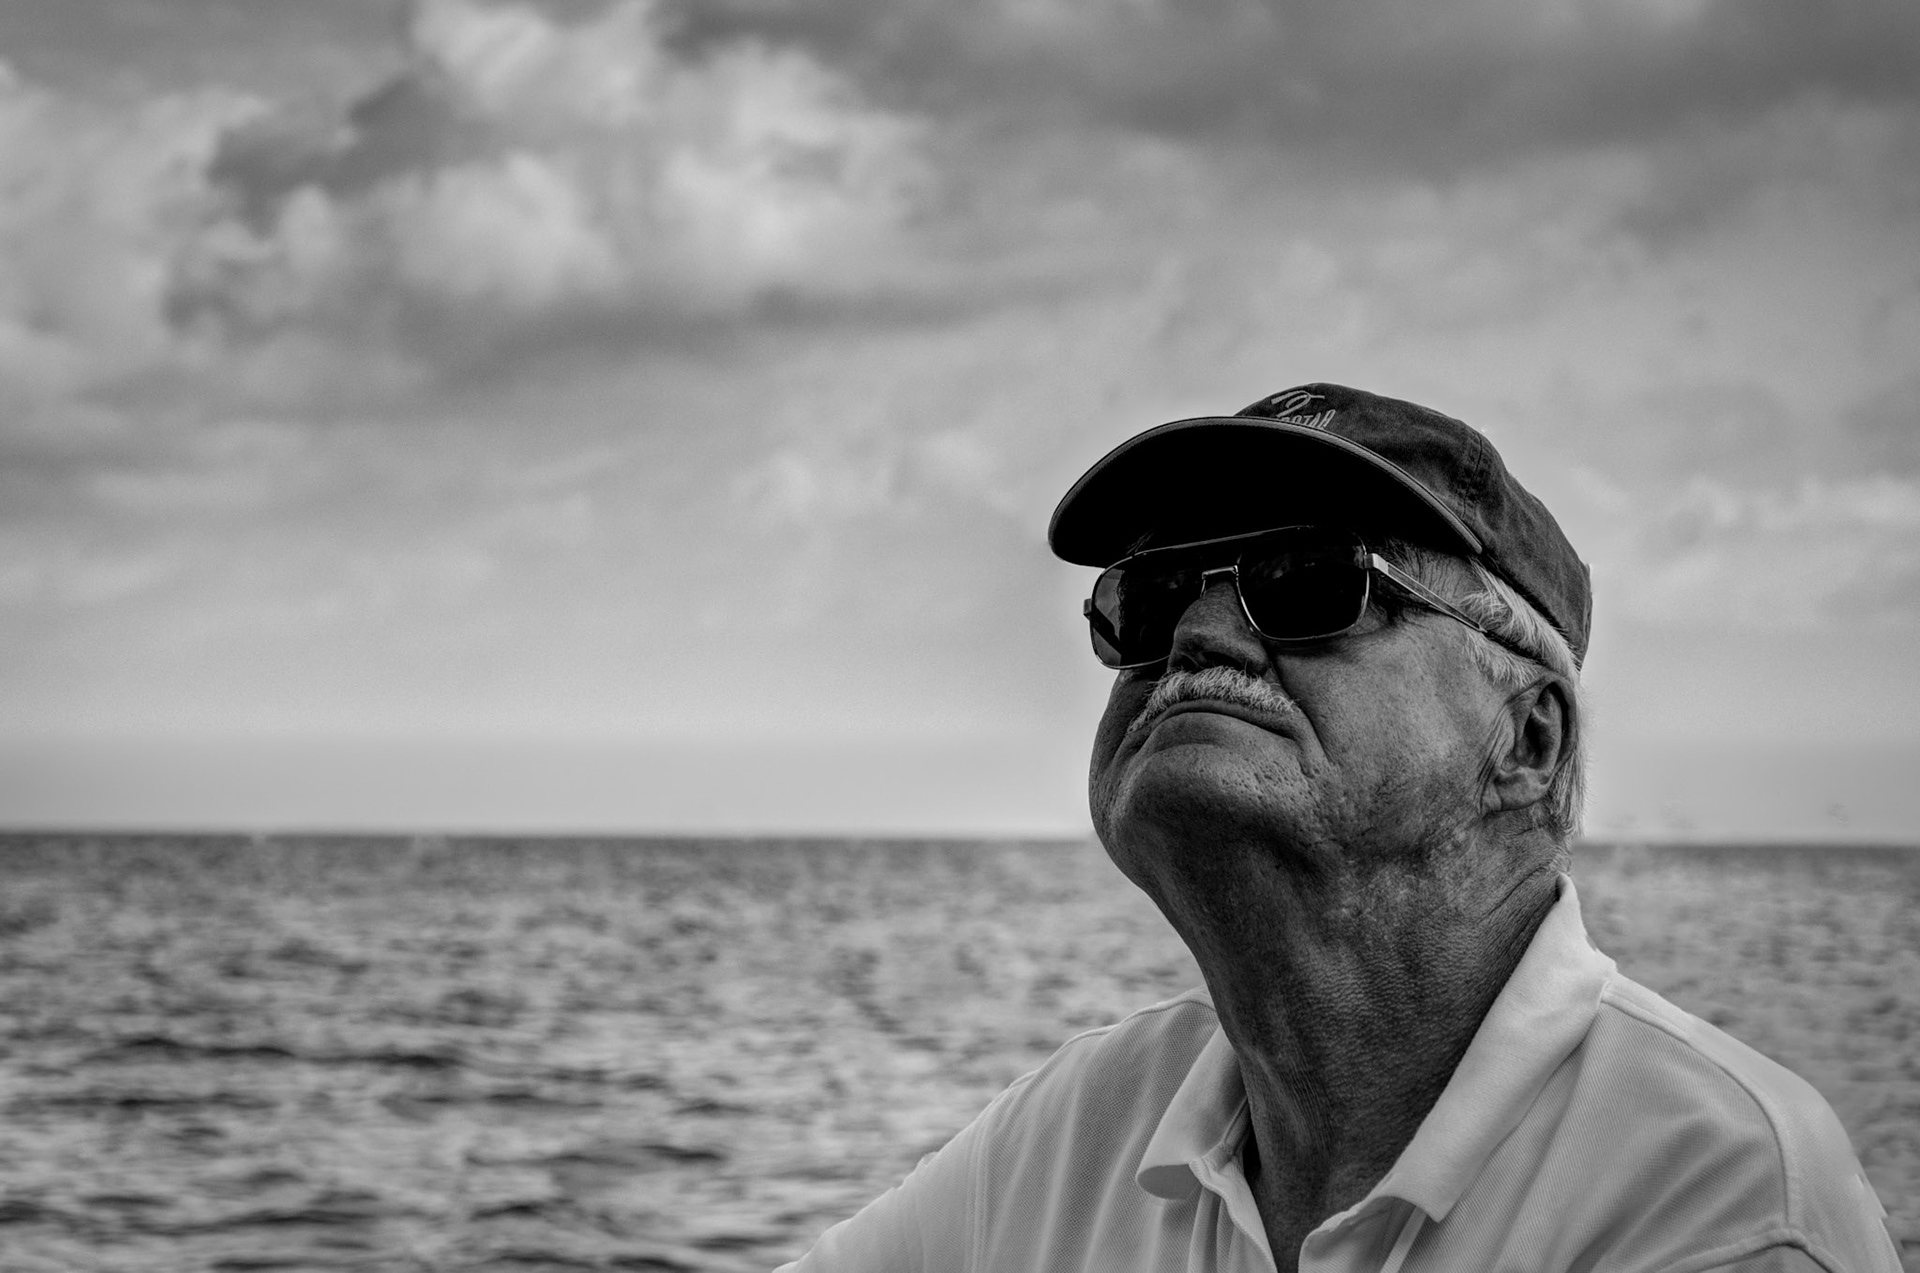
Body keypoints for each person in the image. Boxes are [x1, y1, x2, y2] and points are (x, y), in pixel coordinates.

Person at [777, 384, 1901, 1273]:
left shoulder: (1718, 1197)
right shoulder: (1088, 1123)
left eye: (1306, 580)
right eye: (1151, 598)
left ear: (1528, 742)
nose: (1201, 632)